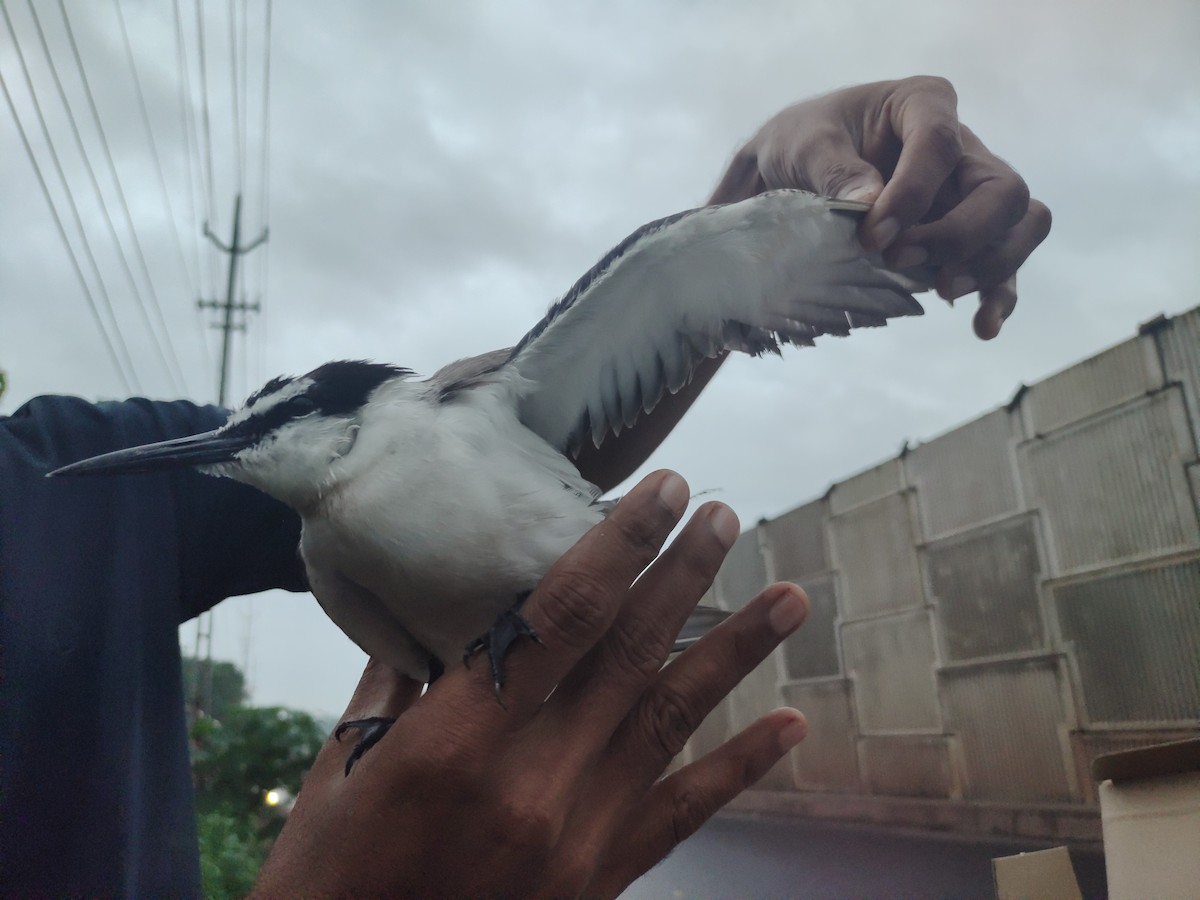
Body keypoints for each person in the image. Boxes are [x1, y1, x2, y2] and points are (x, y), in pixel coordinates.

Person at [0, 77, 1050, 898]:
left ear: (334, 422)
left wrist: (760, 207)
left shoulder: (69, 474)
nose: (237, 450)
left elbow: (519, 455)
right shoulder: (315, 536)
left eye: (268, 433)